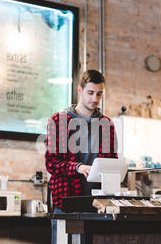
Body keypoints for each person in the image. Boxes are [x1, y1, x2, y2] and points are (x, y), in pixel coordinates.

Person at [45, 69, 118, 215]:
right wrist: (78, 167)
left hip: (98, 202)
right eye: (90, 93)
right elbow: (51, 163)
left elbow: (112, 162)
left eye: (99, 94)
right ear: (80, 90)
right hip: (67, 199)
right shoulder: (58, 121)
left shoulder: (106, 124)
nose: (95, 99)